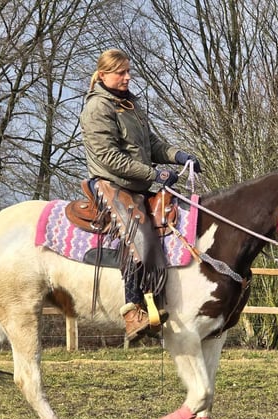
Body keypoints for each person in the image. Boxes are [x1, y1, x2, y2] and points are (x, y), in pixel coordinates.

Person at [80, 49, 202, 342]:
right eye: (121, 72)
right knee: (140, 236)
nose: (127, 77)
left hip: (136, 184)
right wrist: (153, 175)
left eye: (128, 71)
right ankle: (132, 312)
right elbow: (109, 158)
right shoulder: (97, 108)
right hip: (111, 183)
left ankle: (156, 301)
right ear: (103, 74)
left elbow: (152, 144)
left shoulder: (130, 104)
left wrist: (178, 156)